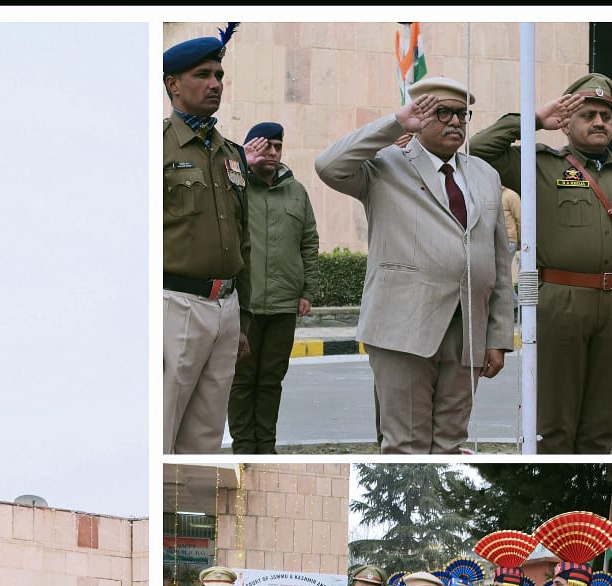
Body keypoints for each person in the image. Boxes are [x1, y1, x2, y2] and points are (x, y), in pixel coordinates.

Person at [315, 76, 514, 454]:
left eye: (462, 114)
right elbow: (328, 166)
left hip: (468, 328)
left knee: (451, 443)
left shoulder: (484, 175)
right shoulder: (386, 166)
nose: (455, 122)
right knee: (406, 444)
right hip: (402, 328)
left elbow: (499, 262)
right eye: (443, 113)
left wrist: (499, 336)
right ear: (419, 116)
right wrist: (393, 123)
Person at [470, 75, 612, 454]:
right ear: (567, 124)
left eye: (606, 115)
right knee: (555, 423)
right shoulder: (540, 165)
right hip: (561, 301)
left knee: (601, 424)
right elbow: (478, 151)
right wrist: (535, 119)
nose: (599, 122)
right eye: (588, 114)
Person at [163, 25, 251, 454]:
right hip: (175, 303)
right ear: (173, 84)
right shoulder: (158, 148)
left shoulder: (231, 153)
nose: (215, 83)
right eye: (203, 75)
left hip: (226, 307)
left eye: (219, 75)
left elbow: (243, 240)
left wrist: (243, 319)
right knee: (162, 429)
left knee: (205, 440)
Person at [227, 120, 319, 455]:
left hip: (283, 305)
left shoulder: (296, 192)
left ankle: (265, 446)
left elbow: (309, 242)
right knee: (241, 381)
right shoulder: (234, 187)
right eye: (264, 145)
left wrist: (307, 290)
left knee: (270, 380)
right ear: (250, 147)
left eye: (277, 147)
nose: (272, 153)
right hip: (244, 306)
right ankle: (243, 447)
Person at [502, 185, 522, 295]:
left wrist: (521, 242)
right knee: (500, 275)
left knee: (500, 276)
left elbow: (520, 219)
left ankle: (513, 304)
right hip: (495, 242)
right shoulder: (490, 194)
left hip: (508, 241)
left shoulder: (511, 195)